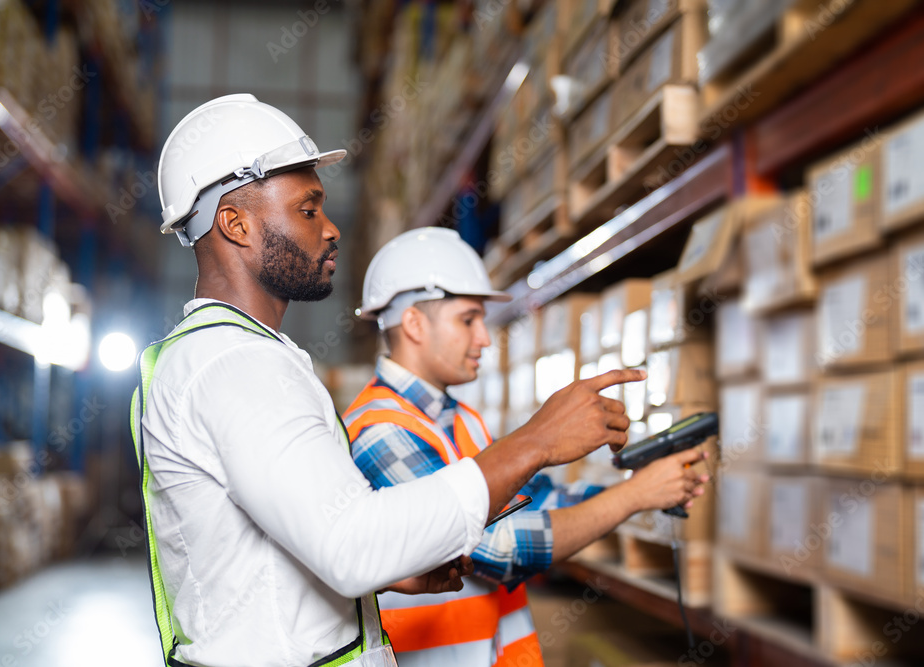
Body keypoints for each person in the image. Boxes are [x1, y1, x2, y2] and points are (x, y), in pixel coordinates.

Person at [131, 94, 649, 667]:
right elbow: (350, 543)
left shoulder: (233, 357)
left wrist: (386, 575)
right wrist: (537, 442)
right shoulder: (236, 366)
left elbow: (269, 563)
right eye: (308, 210)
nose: (330, 230)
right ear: (235, 224)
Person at [343, 227, 709, 666]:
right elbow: (501, 550)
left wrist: (639, 485)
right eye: (468, 320)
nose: (483, 338)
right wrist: (635, 496)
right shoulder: (380, 429)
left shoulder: (459, 419)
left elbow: (529, 502)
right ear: (415, 324)